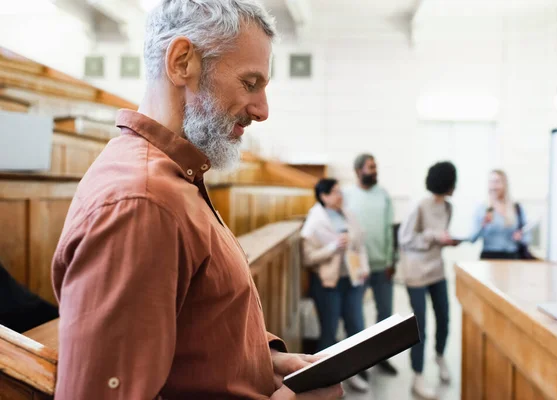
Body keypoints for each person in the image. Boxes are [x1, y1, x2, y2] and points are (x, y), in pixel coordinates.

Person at [50, 1, 342, 399]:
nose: (262, 110)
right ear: (182, 62)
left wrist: (266, 360)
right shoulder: (142, 202)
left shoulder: (172, 178)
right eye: (250, 83)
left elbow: (191, 335)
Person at [301, 178, 370, 393]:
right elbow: (308, 258)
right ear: (324, 196)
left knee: (356, 327)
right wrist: (333, 247)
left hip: (352, 279)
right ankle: (323, 382)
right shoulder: (314, 221)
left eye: (341, 191)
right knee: (329, 332)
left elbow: (360, 243)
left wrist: (364, 266)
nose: (340, 195)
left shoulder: (347, 214)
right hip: (328, 284)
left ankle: (353, 374)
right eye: (335, 192)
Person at [399, 161, 458, 400]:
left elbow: (438, 237)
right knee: (420, 325)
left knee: (444, 317)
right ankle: (418, 376)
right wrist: (434, 236)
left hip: (437, 271)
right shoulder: (420, 206)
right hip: (416, 273)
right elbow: (405, 238)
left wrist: (448, 240)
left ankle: (440, 356)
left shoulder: (448, 208)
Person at [343, 154, 398, 377]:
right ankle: (360, 364)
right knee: (356, 316)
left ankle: (381, 357)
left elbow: (390, 229)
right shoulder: (346, 195)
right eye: (370, 167)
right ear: (358, 171)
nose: (375, 171)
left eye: (376, 167)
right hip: (358, 267)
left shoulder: (383, 195)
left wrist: (392, 260)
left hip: (382, 265)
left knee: (385, 314)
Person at [470, 170, 532, 260]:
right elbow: (472, 238)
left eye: (497, 182)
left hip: (512, 257)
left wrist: (520, 237)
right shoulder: (483, 209)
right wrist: (482, 225)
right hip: (490, 257)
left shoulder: (516, 208)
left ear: (505, 184)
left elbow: (527, 236)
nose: (493, 186)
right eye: (491, 182)